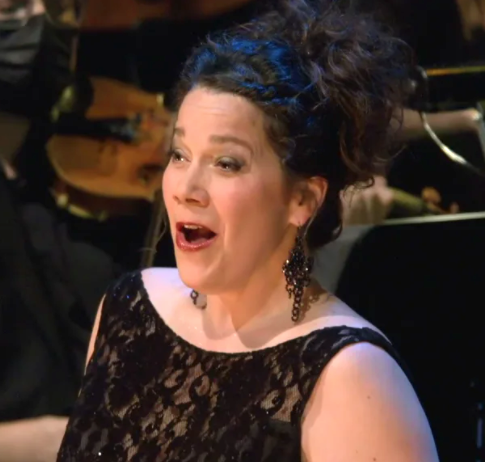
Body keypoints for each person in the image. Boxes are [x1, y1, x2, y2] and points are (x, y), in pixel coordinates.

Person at [57, 1, 439, 461]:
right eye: (179, 155)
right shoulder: (126, 310)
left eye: (226, 163)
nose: (186, 189)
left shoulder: (351, 375)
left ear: (303, 200)